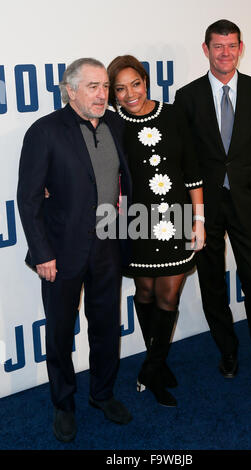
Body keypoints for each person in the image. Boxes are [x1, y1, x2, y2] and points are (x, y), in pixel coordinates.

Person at [17, 58, 133, 443]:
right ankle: (63, 404)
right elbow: (29, 198)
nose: (103, 94)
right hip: (61, 252)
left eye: (105, 86)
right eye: (93, 87)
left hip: (107, 245)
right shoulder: (45, 131)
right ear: (70, 90)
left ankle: (102, 394)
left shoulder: (115, 123)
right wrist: (42, 253)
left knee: (105, 326)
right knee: (60, 332)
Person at [174, 19, 251, 378]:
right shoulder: (187, 97)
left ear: (240, 48)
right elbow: (184, 153)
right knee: (211, 280)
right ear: (206, 49)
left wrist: (241, 178)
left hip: (247, 199)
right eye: (218, 46)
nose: (225, 53)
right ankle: (228, 350)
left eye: (231, 46)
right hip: (203, 205)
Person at [107, 55, 205, 407]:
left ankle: (151, 369)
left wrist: (199, 220)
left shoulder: (173, 114)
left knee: (168, 296)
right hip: (134, 222)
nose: (129, 93)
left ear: (146, 81)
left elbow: (192, 171)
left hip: (177, 216)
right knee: (145, 293)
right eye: (120, 88)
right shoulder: (110, 123)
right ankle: (158, 365)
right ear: (113, 93)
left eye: (135, 83)